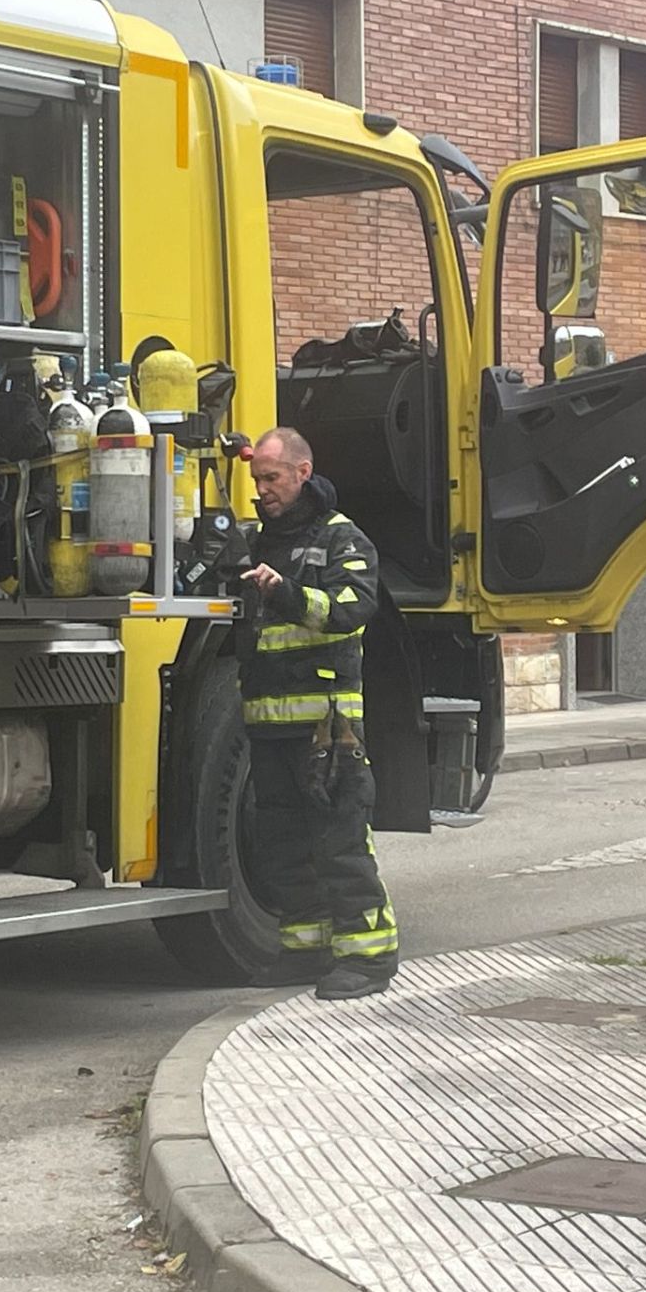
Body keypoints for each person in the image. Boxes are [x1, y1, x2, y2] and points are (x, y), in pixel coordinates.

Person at [236, 427, 397, 1000]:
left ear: (302, 473)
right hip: (269, 724)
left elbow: (353, 609)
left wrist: (288, 594)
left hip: (328, 729)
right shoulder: (257, 542)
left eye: (271, 478)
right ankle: (304, 951)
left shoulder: (340, 538)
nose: (262, 490)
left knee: (339, 840)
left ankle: (370, 958)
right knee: (282, 845)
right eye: (257, 480)